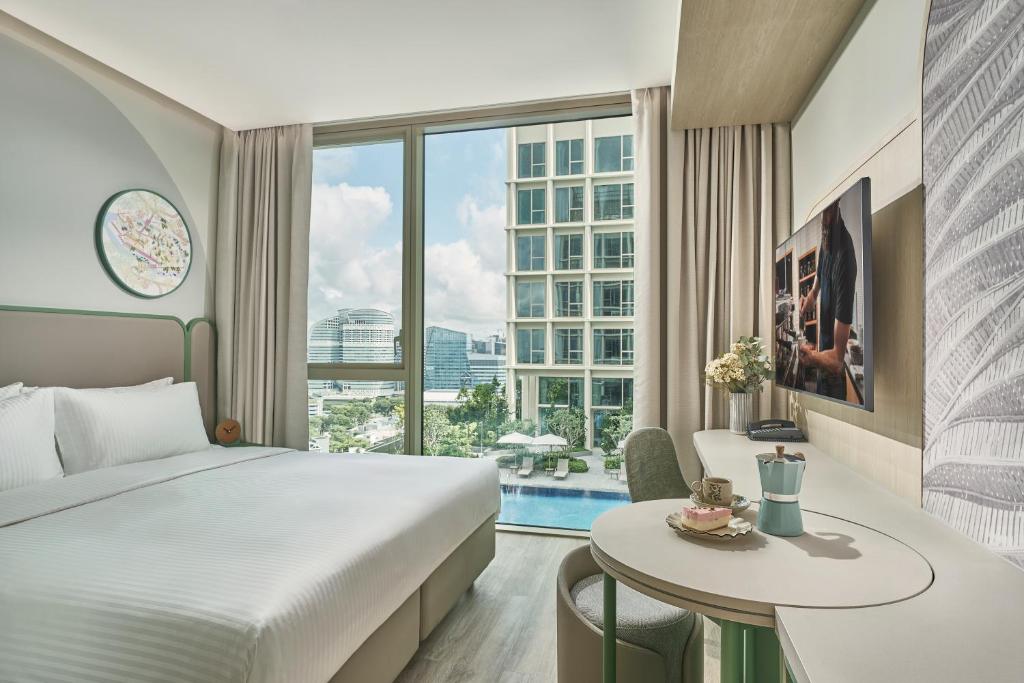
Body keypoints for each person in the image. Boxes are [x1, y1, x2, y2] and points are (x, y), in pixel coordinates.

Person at [798, 198, 857, 400]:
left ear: (835, 207)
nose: (822, 219)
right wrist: (806, 303)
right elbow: (815, 291)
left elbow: (838, 359)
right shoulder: (825, 243)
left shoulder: (846, 258)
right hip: (822, 361)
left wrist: (809, 355)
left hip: (833, 375)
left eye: (826, 212)